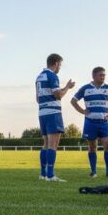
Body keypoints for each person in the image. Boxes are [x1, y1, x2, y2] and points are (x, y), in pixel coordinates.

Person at [70, 67, 108, 178]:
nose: (103, 77)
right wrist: (82, 111)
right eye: (100, 75)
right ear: (93, 76)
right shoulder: (85, 88)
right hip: (90, 122)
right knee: (92, 147)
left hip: (104, 122)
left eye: (104, 75)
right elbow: (73, 101)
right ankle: (93, 171)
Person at [36, 53, 76, 182]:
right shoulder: (52, 75)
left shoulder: (39, 77)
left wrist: (65, 87)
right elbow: (58, 95)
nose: (60, 68)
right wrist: (68, 89)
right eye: (60, 65)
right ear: (56, 63)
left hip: (42, 112)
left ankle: (43, 174)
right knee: (53, 144)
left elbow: (38, 98)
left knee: (46, 143)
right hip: (53, 113)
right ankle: (51, 175)